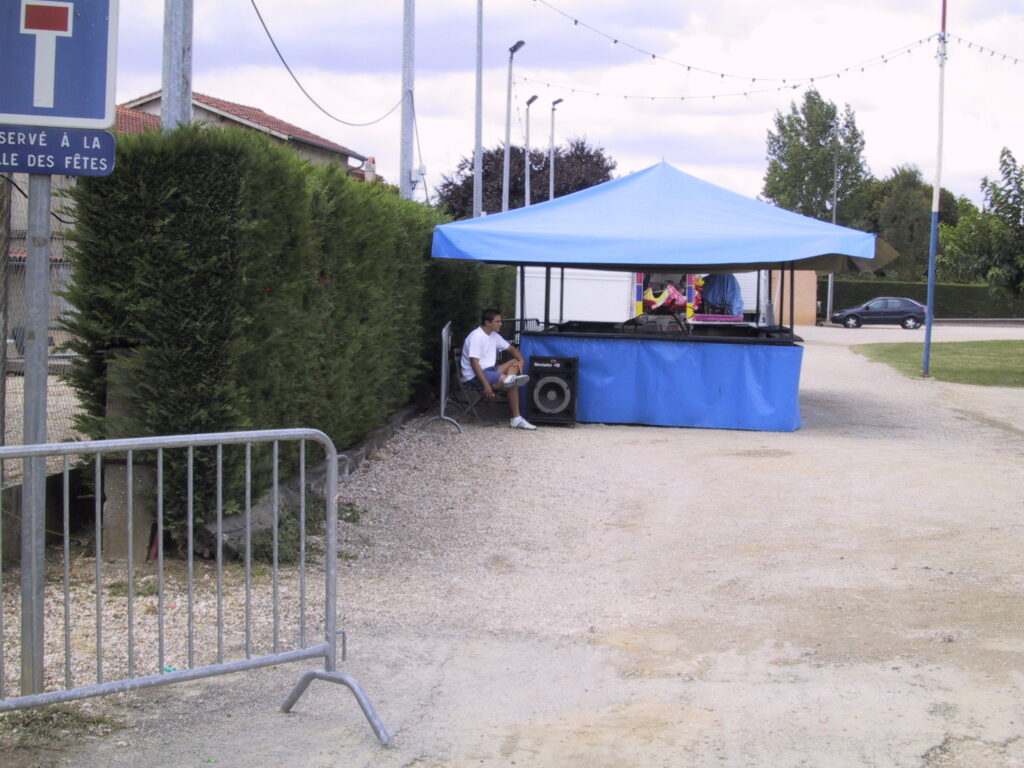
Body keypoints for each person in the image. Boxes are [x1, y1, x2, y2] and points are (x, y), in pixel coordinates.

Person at [461, 309, 537, 430]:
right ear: (487, 323)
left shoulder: (493, 335)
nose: (501, 324)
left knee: (515, 362)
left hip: (490, 370)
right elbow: (474, 364)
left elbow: (511, 349)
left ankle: (510, 378)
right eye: (497, 321)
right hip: (475, 376)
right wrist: (486, 385)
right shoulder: (476, 336)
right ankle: (516, 419)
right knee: (512, 384)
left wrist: (521, 361)